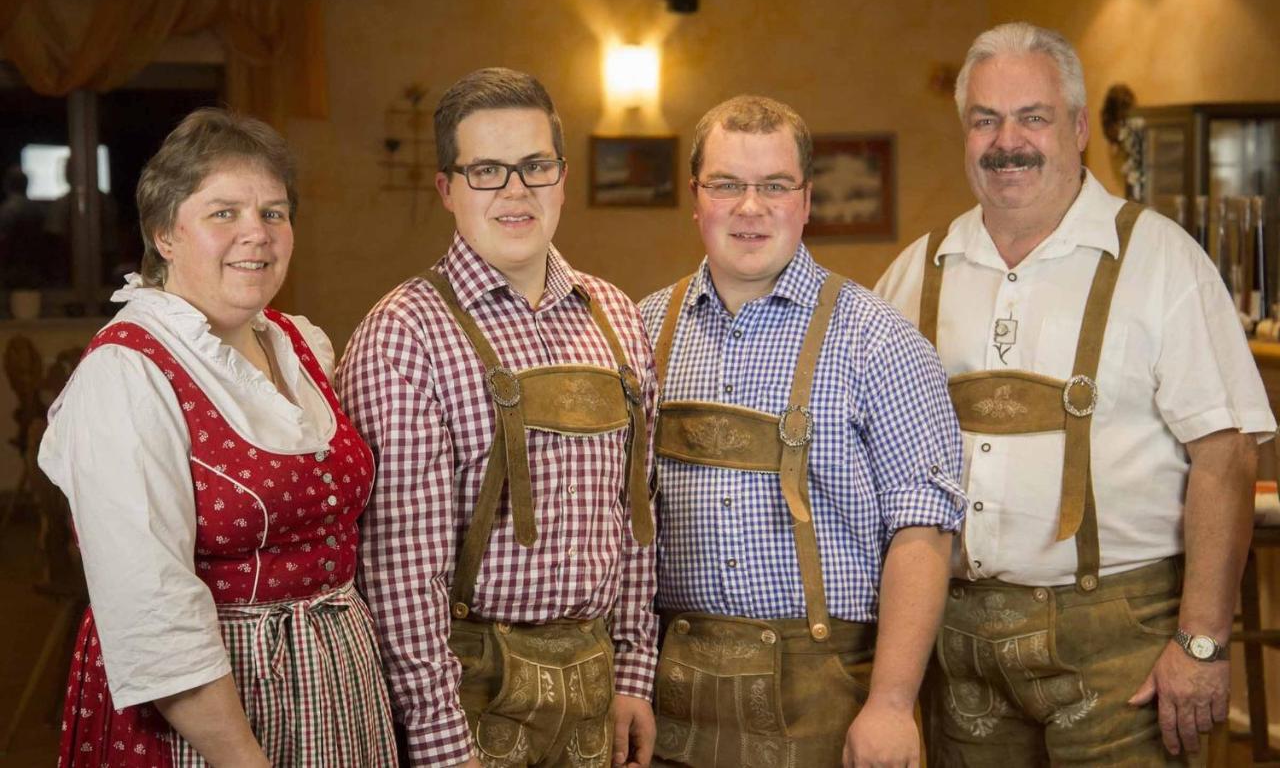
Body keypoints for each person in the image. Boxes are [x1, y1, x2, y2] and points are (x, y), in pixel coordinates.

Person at [875, 22, 1275, 765]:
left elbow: (1226, 456)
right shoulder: (915, 272)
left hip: (1123, 641)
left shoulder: (1160, 260)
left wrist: (1201, 641)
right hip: (956, 645)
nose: (1008, 141)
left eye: (1033, 116)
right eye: (985, 119)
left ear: (1080, 127)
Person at [39, 108, 397, 767]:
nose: (256, 234)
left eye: (274, 212)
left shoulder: (301, 344)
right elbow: (151, 606)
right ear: (164, 234)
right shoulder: (127, 372)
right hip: (211, 715)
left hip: (337, 687)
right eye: (223, 213)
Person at [340, 67, 658, 768]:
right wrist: (440, 743)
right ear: (447, 188)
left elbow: (638, 516)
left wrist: (634, 673)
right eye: (486, 170)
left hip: (597, 685)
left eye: (535, 165)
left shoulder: (618, 320)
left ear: (563, 177)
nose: (516, 190)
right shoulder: (403, 333)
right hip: (473, 692)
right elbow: (400, 571)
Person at [638, 95, 965, 768]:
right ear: (695, 198)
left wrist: (892, 702)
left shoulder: (881, 342)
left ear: (807, 200)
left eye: (774, 186)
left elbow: (924, 532)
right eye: (727, 184)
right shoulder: (639, 332)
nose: (750, 207)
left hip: (829, 694)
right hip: (669, 694)